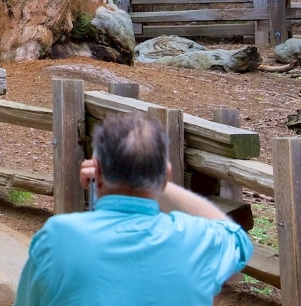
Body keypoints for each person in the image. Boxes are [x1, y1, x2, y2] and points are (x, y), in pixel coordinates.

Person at [15, 113, 253, 306]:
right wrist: (162, 184)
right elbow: (238, 238)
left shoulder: (58, 237)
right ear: (166, 176)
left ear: (96, 171)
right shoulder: (200, 240)